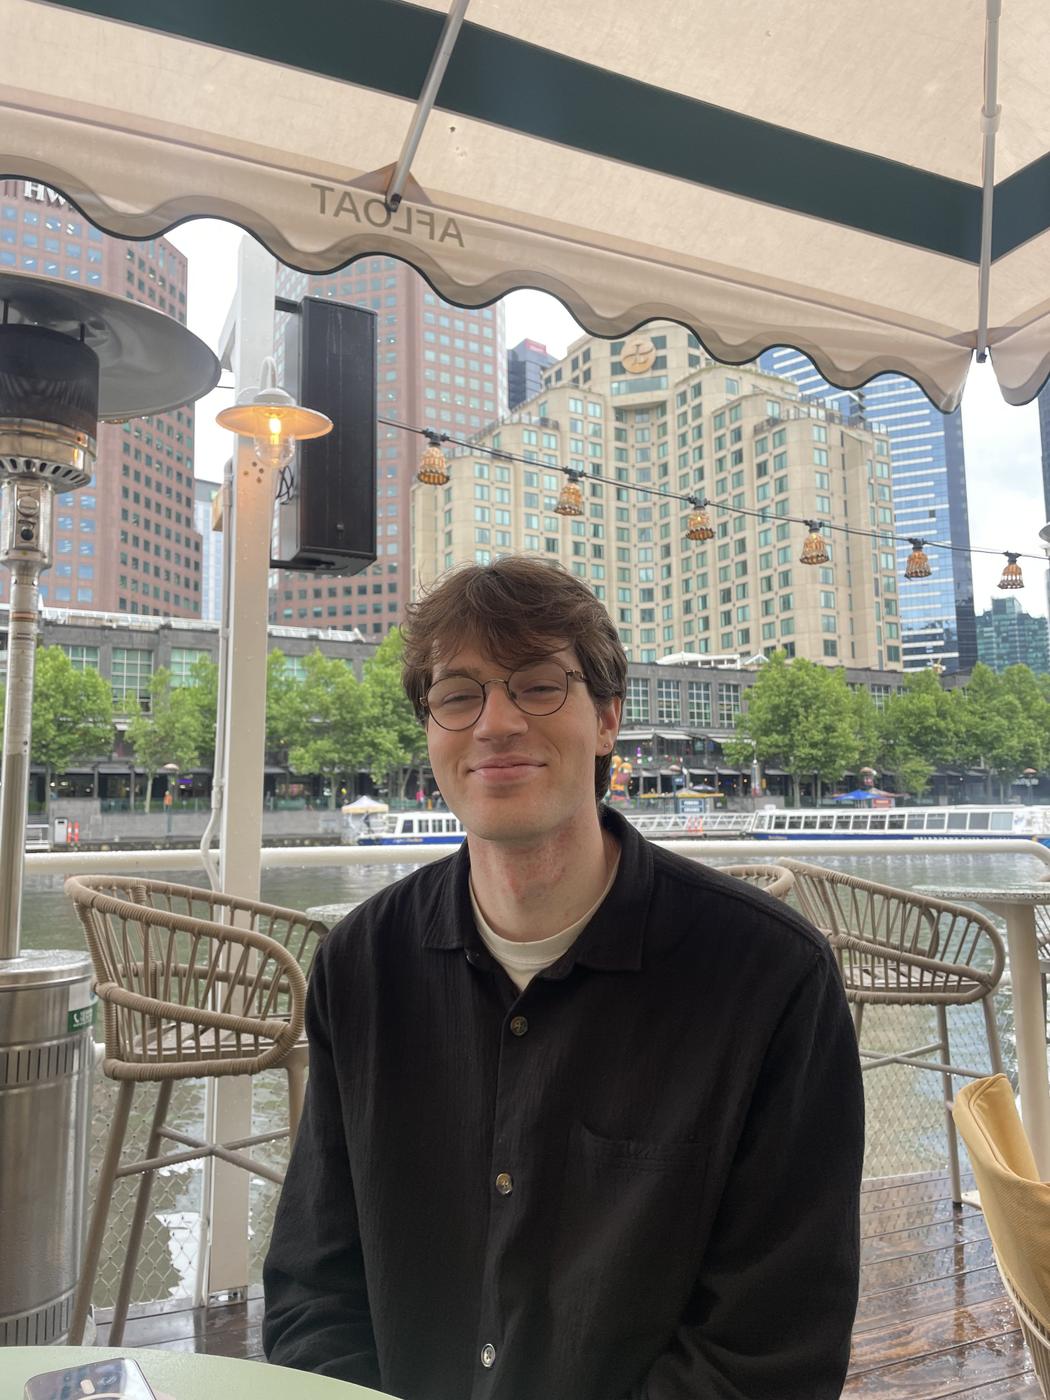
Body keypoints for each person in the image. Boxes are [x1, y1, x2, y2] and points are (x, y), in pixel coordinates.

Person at [263, 557, 864, 1400]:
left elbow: (771, 1351)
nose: (495, 723)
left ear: (608, 719)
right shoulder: (360, 967)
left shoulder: (771, 981)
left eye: (539, 685)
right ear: (429, 727)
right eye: (459, 693)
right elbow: (312, 1290)